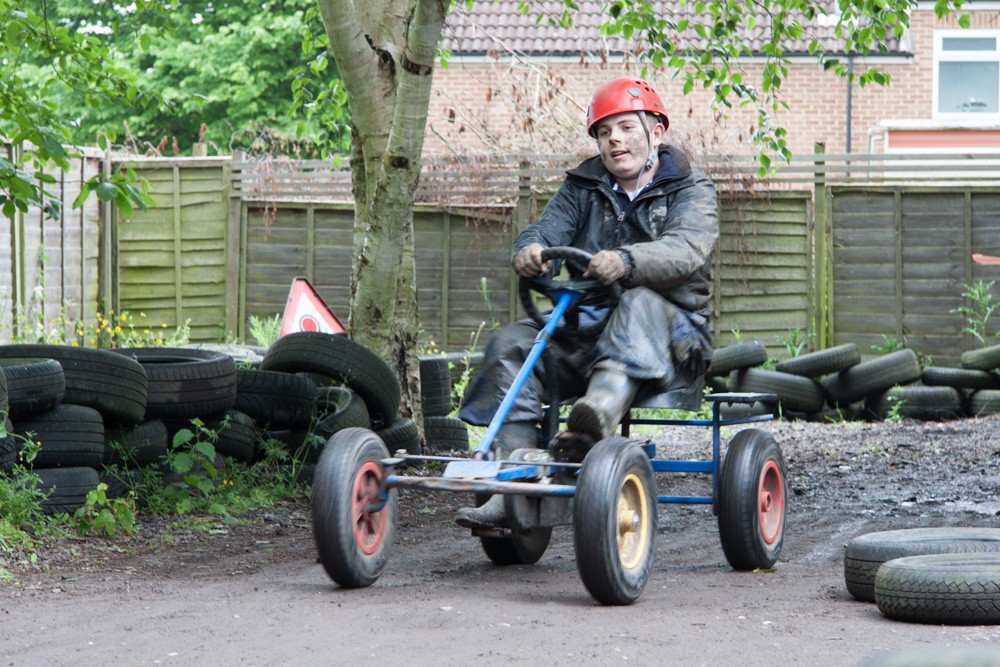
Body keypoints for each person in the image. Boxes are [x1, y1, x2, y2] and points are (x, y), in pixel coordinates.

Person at [455, 77, 720, 529]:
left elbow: (686, 250)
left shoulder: (691, 188)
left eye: (626, 127)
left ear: (656, 132)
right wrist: (530, 250)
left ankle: (588, 427)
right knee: (511, 343)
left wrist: (626, 260)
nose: (615, 139)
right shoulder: (582, 186)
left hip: (674, 337)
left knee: (637, 301)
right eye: (604, 132)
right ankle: (512, 487)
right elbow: (546, 230)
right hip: (589, 331)